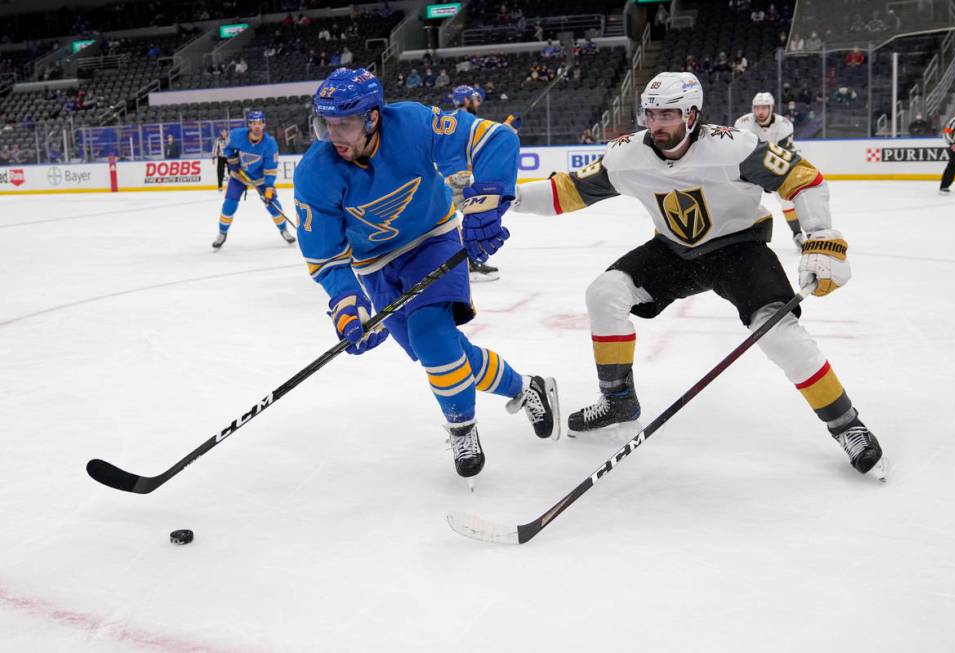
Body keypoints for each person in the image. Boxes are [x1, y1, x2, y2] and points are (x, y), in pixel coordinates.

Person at [511, 72, 887, 481]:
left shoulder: (735, 147)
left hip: (739, 249)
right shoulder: (626, 155)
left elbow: (803, 178)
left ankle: (845, 424)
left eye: (668, 114)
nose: (656, 125)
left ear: (692, 115)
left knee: (778, 332)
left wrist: (820, 237)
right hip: (674, 251)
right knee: (604, 294)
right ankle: (618, 399)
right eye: (650, 114)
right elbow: (565, 191)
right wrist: (505, 199)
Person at [293, 68, 559, 483]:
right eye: (326, 124)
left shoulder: (413, 123)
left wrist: (487, 201)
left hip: (432, 239)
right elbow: (325, 256)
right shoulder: (315, 172)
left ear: (373, 117)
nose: (334, 135)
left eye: (344, 123)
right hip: (374, 267)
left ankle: (462, 430)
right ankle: (526, 388)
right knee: (445, 354)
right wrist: (346, 303)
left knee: (432, 336)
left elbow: (494, 138)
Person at [211, 110, 296, 249]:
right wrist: (232, 159)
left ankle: (284, 230)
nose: (257, 126)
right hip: (239, 176)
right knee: (229, 204)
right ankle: (222, 233)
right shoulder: (237, 135)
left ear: (264, 124)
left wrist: (269, 187)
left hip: (261, 180)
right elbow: (227, 147)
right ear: (249, 124)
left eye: (260, 123)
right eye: (254, 123)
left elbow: (270, 168)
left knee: (273, 205)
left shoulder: (270, 144)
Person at [445, 84, 504, 282]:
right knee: (475, 217)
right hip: (456, 178)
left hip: (447, 177)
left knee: (460, 220)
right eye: (476, 99)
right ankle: (469, 264)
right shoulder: (469, 120)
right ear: (467, 100)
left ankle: (466, 262)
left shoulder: (451, 119)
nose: (479, 103)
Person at [735, 92, 805, 250]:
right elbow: (741, 153)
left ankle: (797, 233)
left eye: (764, 108)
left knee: (787, 200)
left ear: (771, 108)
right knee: (743, 202)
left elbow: (785, 156)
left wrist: (769, 178)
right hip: (751, 167)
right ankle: (740, 237)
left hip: (776, 165)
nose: (760, 111)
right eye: (757, 107)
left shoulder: (784, 125)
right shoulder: (743, 123)